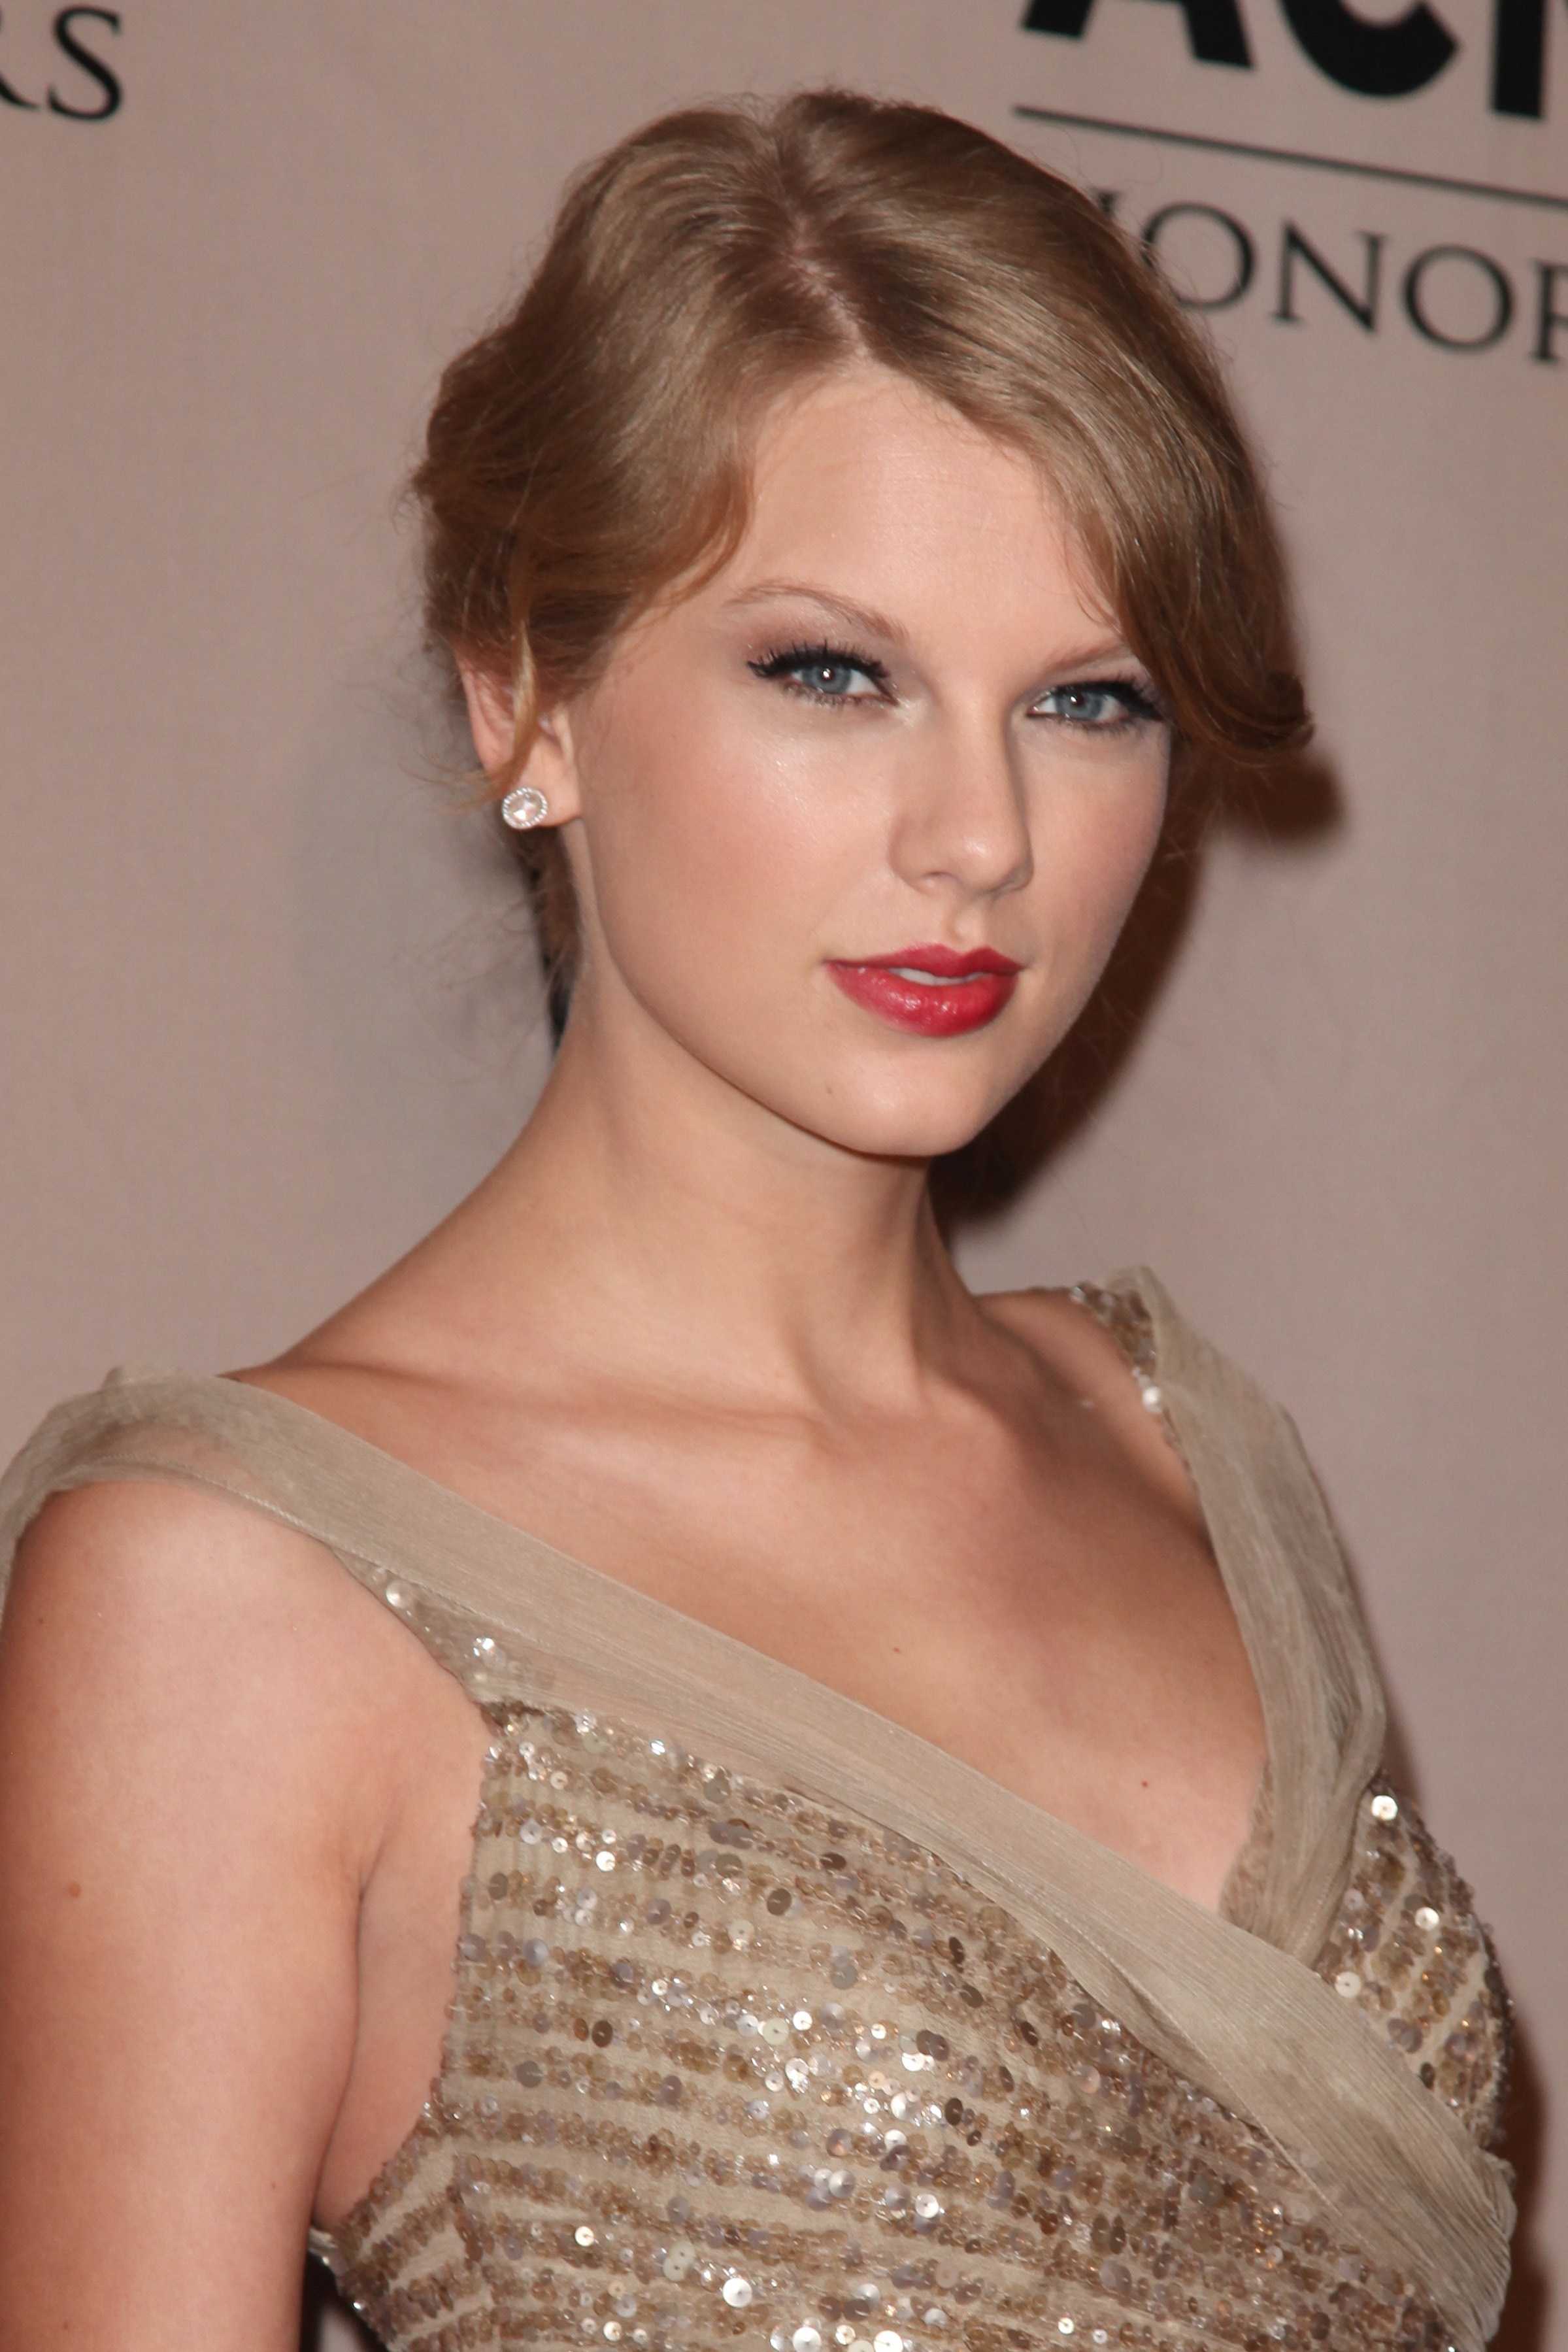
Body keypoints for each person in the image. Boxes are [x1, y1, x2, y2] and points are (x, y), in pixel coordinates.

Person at [0, 90, 1513, 2352]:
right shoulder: (231, 1593)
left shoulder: (1186, 1444)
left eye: (1086, 701)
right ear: (529, 693)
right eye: (834, 672)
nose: (981, 836)